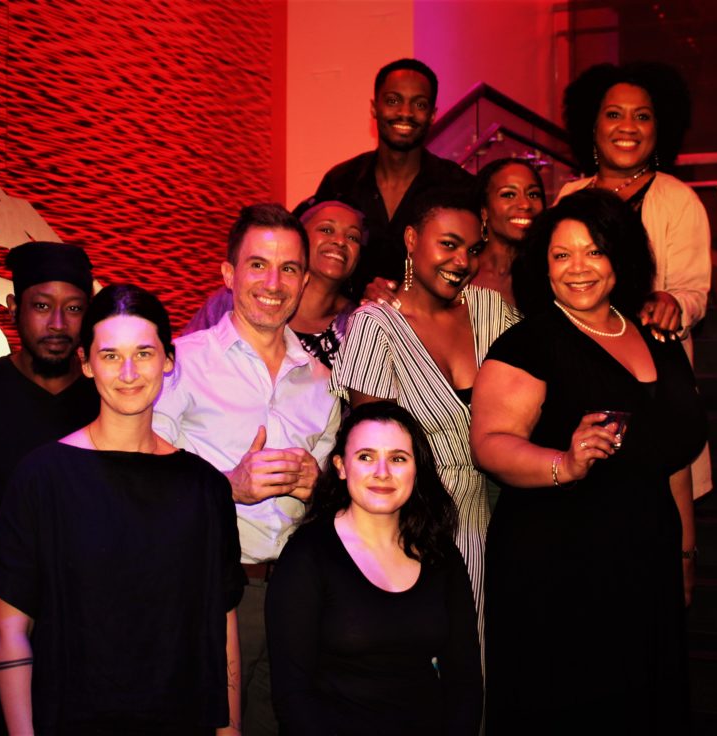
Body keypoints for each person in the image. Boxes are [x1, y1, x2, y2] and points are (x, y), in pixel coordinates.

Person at [472, 189, 706, 732]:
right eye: (561, 255)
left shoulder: (657, 336)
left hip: (646, 563)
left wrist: (684, 554)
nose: (578, 268)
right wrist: (565, 463)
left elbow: (671, 455)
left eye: (594, 251)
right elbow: (491, 442)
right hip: (558, 570)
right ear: (543, 265)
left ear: (619, 257)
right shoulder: (528, 343)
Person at [0, 284, 245, 734]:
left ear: (168, 360)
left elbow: (221, 623)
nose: (128, 372)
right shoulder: (43, 478)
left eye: (143, 353)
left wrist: (231, 729)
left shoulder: (204, 488)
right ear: (86, 363)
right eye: (110, 356)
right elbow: (8, 629)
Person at [153, 204, 341, 736]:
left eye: (288, 269)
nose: (273, 283)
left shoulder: (323, 381)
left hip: (300, 596)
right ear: (228, 274)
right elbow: (140, 484)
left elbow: (337, 504)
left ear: (305, 281)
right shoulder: (180, 363)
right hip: (209, 592)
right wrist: (227, 487)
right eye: (258, 265)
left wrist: (320, 488)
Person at [331, 187, 517, 658]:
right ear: (412, 240)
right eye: (448, 244)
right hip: (410, 532)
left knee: (477, 672)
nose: (462, 261)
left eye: (473, 249)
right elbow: (373, 461)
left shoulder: (491, 311)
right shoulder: (375, 326)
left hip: (488, 527)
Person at [554, 61, 713, 600]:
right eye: (614, 114)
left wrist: (672, 302)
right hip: (580, 376)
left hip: (650, 379)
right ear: (592, 124)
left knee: (651, 527)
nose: (628, 126)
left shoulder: (677, 199)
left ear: (660, 127)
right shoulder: (569, 195)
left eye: (642, 116)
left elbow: (695, 290)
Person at [0, 241, 99, 734]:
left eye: (73, 308)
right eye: (41, 306)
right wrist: (15, 521)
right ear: (13, 309)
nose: (57, 324)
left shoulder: (110, 399)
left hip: (90, 631)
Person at [267, 401, 483, 735]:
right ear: (341, 466)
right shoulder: (307, 556)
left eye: (398, 458)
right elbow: (292, 696)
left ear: (416, 469)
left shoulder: (440, 554)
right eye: (366, 457)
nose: (382, 472)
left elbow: (465, 681)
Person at [315, 58, 474, 303]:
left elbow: (472, 263)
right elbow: (315, 258)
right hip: (347, 320)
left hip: (429, 323)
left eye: (419, 104)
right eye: (393, 101)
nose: (405, 113)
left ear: (432, 114)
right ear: (374, 108)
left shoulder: (458, 187)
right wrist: (359, 293)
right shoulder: (340, 182)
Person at [185, 198, 367, 368]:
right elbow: (186, 362)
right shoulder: (234, 297)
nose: (340, 241)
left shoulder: (358, 325)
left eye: (353, 237)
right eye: (326, 230)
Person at [470, 157, 546, 308]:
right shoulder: (461, 271)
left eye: (533, 194)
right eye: (509, 195)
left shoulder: (551, 274)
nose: (525, 205)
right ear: (484, 210)